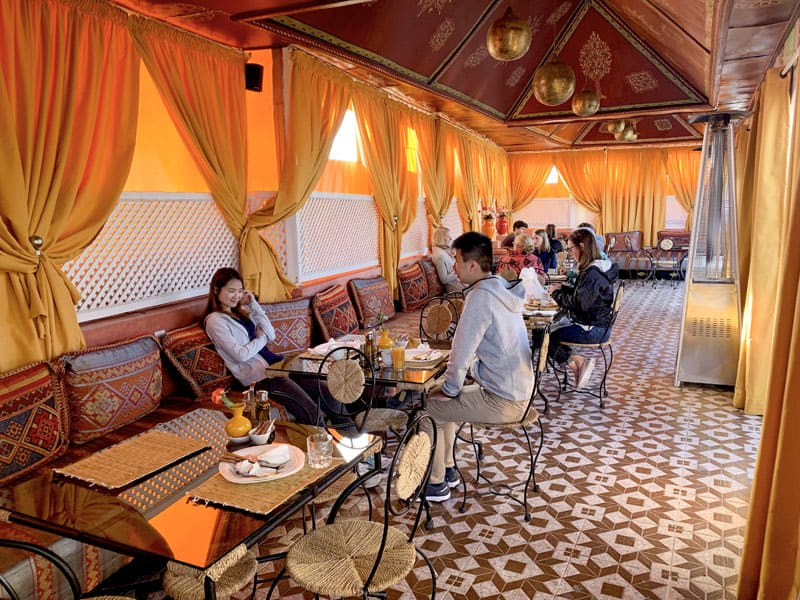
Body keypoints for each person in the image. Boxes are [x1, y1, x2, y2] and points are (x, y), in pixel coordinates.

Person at [423, 232, 534, 502]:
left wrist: (450, 388)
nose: (452, 267)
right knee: (443, 395)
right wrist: (449, 387)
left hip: (505, 400)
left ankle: (434, 483)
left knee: (429, 407)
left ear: (472, 266)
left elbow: (461, 352)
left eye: (457, 260)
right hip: (519, 390)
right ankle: (448, 469)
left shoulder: (480, 298)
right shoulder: (499, 288)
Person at [204, 268, 356, 430]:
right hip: (262, 378)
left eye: (240, 291)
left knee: (331, 399)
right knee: (311, 412)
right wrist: (261, 338)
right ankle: (326, 452)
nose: (237, 296)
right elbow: (241, 355)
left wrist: (253, 304)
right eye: (231, 291)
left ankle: (359, 448)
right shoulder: (215, 321)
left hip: (281, 366)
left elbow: (271, 334)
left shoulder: (242, 312)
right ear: (216, 290)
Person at [548, 229, 617, 389]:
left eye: (571, 249)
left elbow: (580, 304)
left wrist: (556, 293)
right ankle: (577, 363)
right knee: (544, 332)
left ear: (582, 247)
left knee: (542, 335)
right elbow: (584, 296)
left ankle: (578, 362)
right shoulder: (596, 268)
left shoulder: (592, 273)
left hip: (593, 329)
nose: (570, 253)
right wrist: (563, 289)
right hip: (596, 324)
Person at [431, 227, 463, 293]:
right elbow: (444, 279)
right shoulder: (440, 256)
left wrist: (453, 255)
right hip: (456, 288)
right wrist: (459, 271)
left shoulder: (442, 250)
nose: (451, 238)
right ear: (441, 238)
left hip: (460, 282)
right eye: (448, 236)